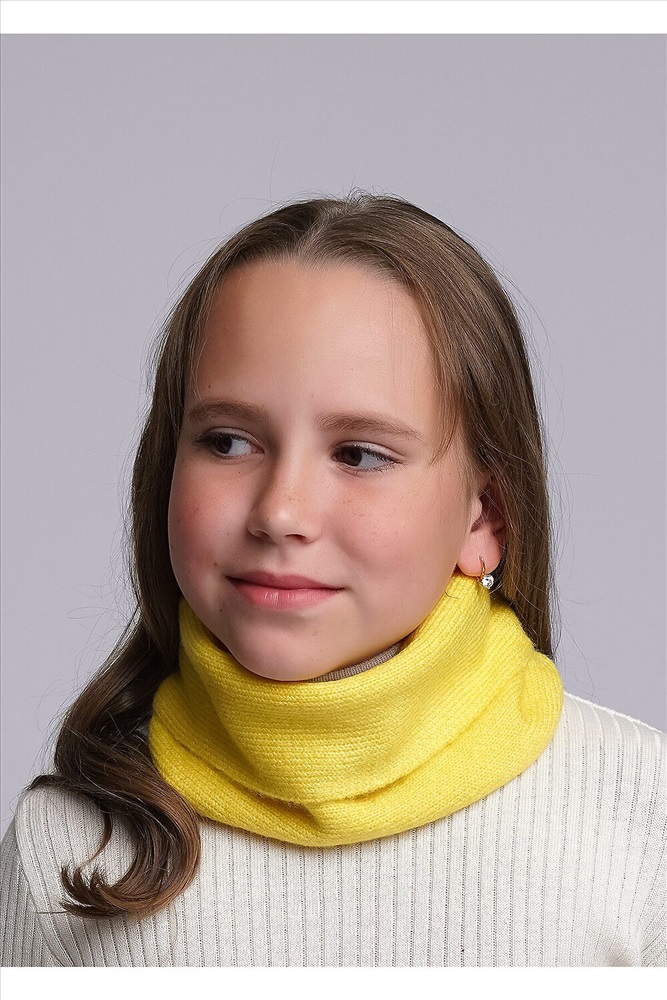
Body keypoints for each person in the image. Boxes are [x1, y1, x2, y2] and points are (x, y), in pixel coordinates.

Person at [1, 195, 664, 968]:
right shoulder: (62, 845)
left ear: (484, 518)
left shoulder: (642, 813)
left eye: (358, 455)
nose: (280, 512)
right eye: (228, 441)